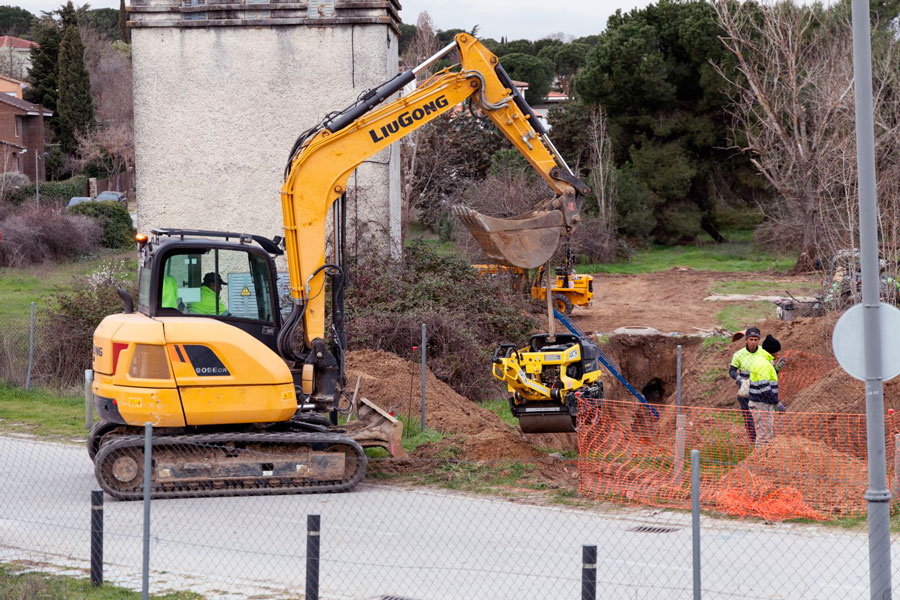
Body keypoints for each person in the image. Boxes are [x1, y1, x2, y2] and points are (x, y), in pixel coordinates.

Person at [729, 326, 763, 443]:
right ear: (746, 340)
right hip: (745, 386)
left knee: (761, 414)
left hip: (760, 386)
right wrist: (737, 377)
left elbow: (771, 369)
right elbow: (731, 370)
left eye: (756, 340)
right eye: (751, 339)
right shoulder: (739, 354)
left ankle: (763, 440)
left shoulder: (764, 353)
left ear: (759, 340)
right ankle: (753, 440)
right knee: (748, 414)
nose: (753, 342)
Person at [747, 334, 783, 445]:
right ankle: (760, 461)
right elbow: (764, 387)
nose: (778, 354)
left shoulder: (766, 360)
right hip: (760, 403)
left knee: (768, 434)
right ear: (771, 351)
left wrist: (776, 369)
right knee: (764, 437)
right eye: (777, 351)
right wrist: (776, 403)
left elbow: (767, 379)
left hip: (764, 403)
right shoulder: (762, 363)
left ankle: (765, 460)